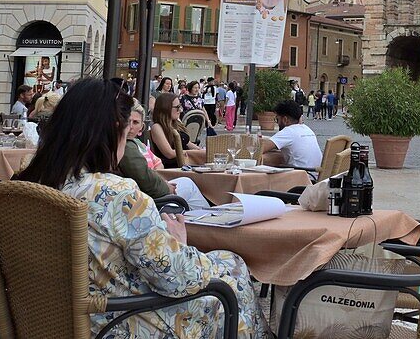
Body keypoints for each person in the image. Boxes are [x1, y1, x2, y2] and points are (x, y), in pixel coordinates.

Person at [15, 79, 265, 338]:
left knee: (225, 265)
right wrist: (180, 244)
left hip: (52, 320)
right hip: (117, 324)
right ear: (114, 131)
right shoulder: (117, 195)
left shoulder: (26, 186)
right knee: (232, 270)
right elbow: (179, 280)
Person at [120, 102, 210, 210]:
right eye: (176, 107)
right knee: (188, 184)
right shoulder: (126, 145)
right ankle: (208, 220)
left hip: (154, 185)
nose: (130, 127)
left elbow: (157, 164)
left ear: (141, 127)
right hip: (146, 196)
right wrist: (165, 187)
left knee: (188, 183)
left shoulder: (137, 143)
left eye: (135, 122)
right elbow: (144, 174)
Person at [261, 100, 323, 178]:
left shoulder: (288, 132)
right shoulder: (306, 129)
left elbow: (260, 148)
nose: (277, 123)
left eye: (277, 119)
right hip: (314, 175)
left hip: (301, 178)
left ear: (285, 120)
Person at [150, 92, 204, 168]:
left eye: (180, 106)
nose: (180, 110)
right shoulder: (157, 127)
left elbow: (188, 143)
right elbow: (169, 154)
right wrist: (193, 153)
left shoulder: (176, 123)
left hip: (187, 164)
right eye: (177, 107)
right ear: (166, 108)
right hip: (174, 167)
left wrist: (201, 151)